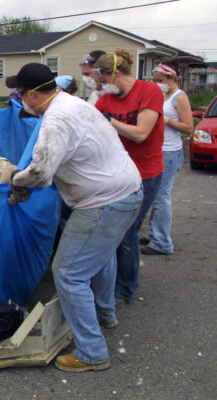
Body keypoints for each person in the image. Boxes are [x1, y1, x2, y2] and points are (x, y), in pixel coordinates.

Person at [6, 63, 142, 373]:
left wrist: (17, 181)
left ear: (33, 93)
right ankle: (106, 314)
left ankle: (92, 353)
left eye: (21, 93)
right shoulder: (72, 102)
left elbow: (39, 173)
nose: (20, 98)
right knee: (99, 256)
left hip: (104, 202)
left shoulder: (55, 120)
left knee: (68, 272)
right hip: (127, 191)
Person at [94, 48, 164, 303]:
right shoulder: (106, 100)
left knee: (127, 231)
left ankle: (126, 288)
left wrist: (108, 120)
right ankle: (113, 283)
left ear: (114, 74)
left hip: (146, 173)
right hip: (118, 174)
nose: (101, 87)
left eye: (103, 81)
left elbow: (141, 133)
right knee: (115, 231)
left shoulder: (149, 91)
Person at [140, 63, 193, 255]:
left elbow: (188, 127)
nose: (157, 83)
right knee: (154, 196)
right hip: (158, 149)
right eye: (155, 80)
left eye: (160, 80)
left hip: (170, 152)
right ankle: (154, 234)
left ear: (172, 78)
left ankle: (162, 242)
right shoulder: (163, 95)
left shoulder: (180, 97)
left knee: (161, 197)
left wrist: (167, 120)